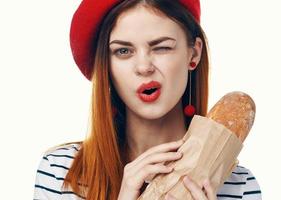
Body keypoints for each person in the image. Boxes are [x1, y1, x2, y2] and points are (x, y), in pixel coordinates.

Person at [33, 0, 262, 199]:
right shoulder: (62, 172)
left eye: (161, 48)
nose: (143, 67)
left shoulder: (238, 186)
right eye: (123, 51)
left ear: (194, 54)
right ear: (107, 67)